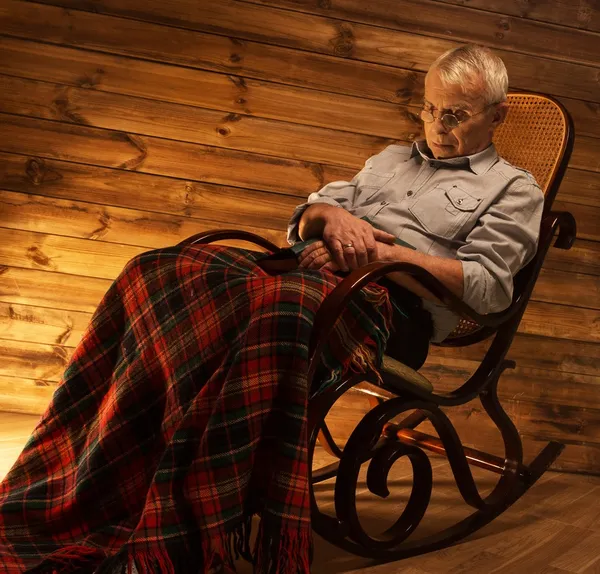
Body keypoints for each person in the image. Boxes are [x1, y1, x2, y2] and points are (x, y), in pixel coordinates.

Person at [0, 44, 542, 574]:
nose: (436, 124)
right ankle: (101, 473)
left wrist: (381, 253)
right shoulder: (390, 160)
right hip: (301, 269)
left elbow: (488, 289)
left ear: (497, 116)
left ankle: (188, 520)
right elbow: (304, 217)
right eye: (428, 107)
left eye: (455, 114)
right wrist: (329, 216)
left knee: (279, 306)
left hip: (385, 308)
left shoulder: (513, 189)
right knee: (157, 271)